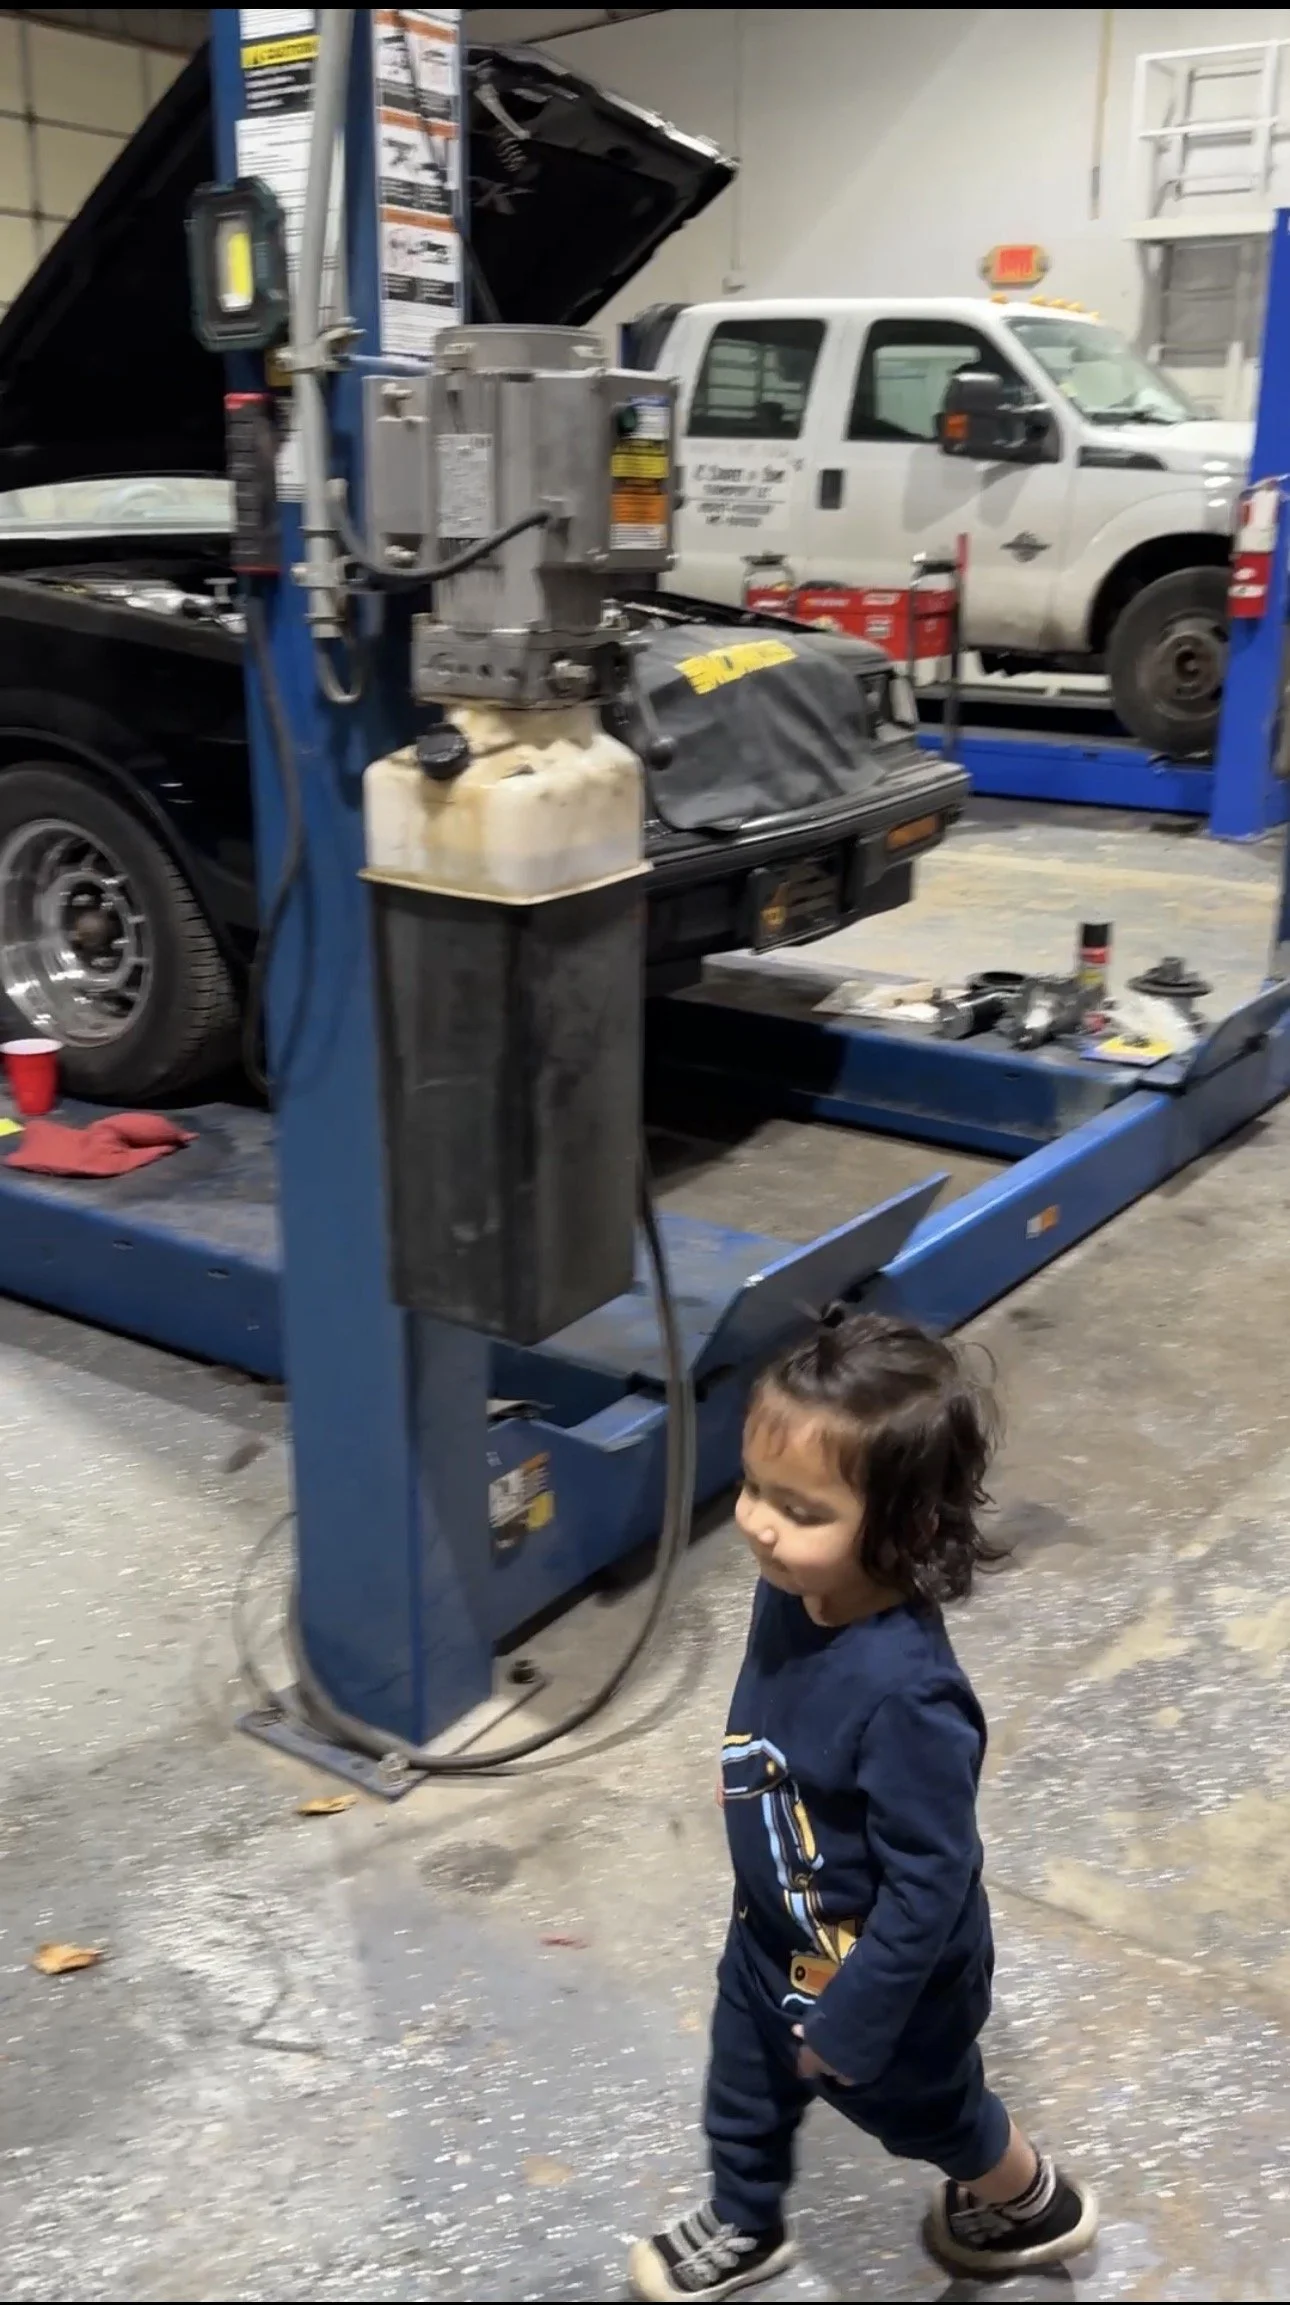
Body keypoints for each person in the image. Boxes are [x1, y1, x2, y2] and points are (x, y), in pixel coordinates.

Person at [628, 1312, 1096, 2301]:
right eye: (757, 1488)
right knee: (742, 2092)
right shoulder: (791, 1593)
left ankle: (1026, 2196)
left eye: (801, 1509)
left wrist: (857, 2020)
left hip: (889, 1989)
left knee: (931, 2116)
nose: (759, 1522)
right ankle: (745, 2221)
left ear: (908, 1526)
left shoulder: (910, 1699)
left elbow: (932, 1886)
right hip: (772, 1937)